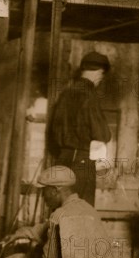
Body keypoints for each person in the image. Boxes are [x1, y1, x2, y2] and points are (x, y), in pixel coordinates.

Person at [4, 165, 122, 258]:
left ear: (55, 190)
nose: (43, 196)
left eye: (44, 191)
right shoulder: (88, 208)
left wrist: (36, 253)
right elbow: (44, 228)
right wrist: (22, 232)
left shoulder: (58, 215)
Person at [48, 51, 112, 206]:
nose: (101, 79)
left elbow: (55, 133)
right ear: (99, 73)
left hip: (62, 159)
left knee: (61, 209)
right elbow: (102, 133)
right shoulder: (90, 95)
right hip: (81, 162)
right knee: (82, 210)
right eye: (102, 75)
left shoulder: (66, 94)